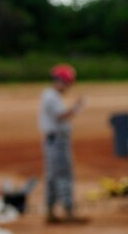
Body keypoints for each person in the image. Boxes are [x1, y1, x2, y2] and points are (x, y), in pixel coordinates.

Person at [38, 63, 87, 224]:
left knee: (53, 176)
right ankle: (68, 212)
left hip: (53, 140)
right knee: (64, 175)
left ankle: (51, 212)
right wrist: (77, 107)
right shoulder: (51, 96)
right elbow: (61, 115)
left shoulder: (50, 95)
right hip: (57, 141)